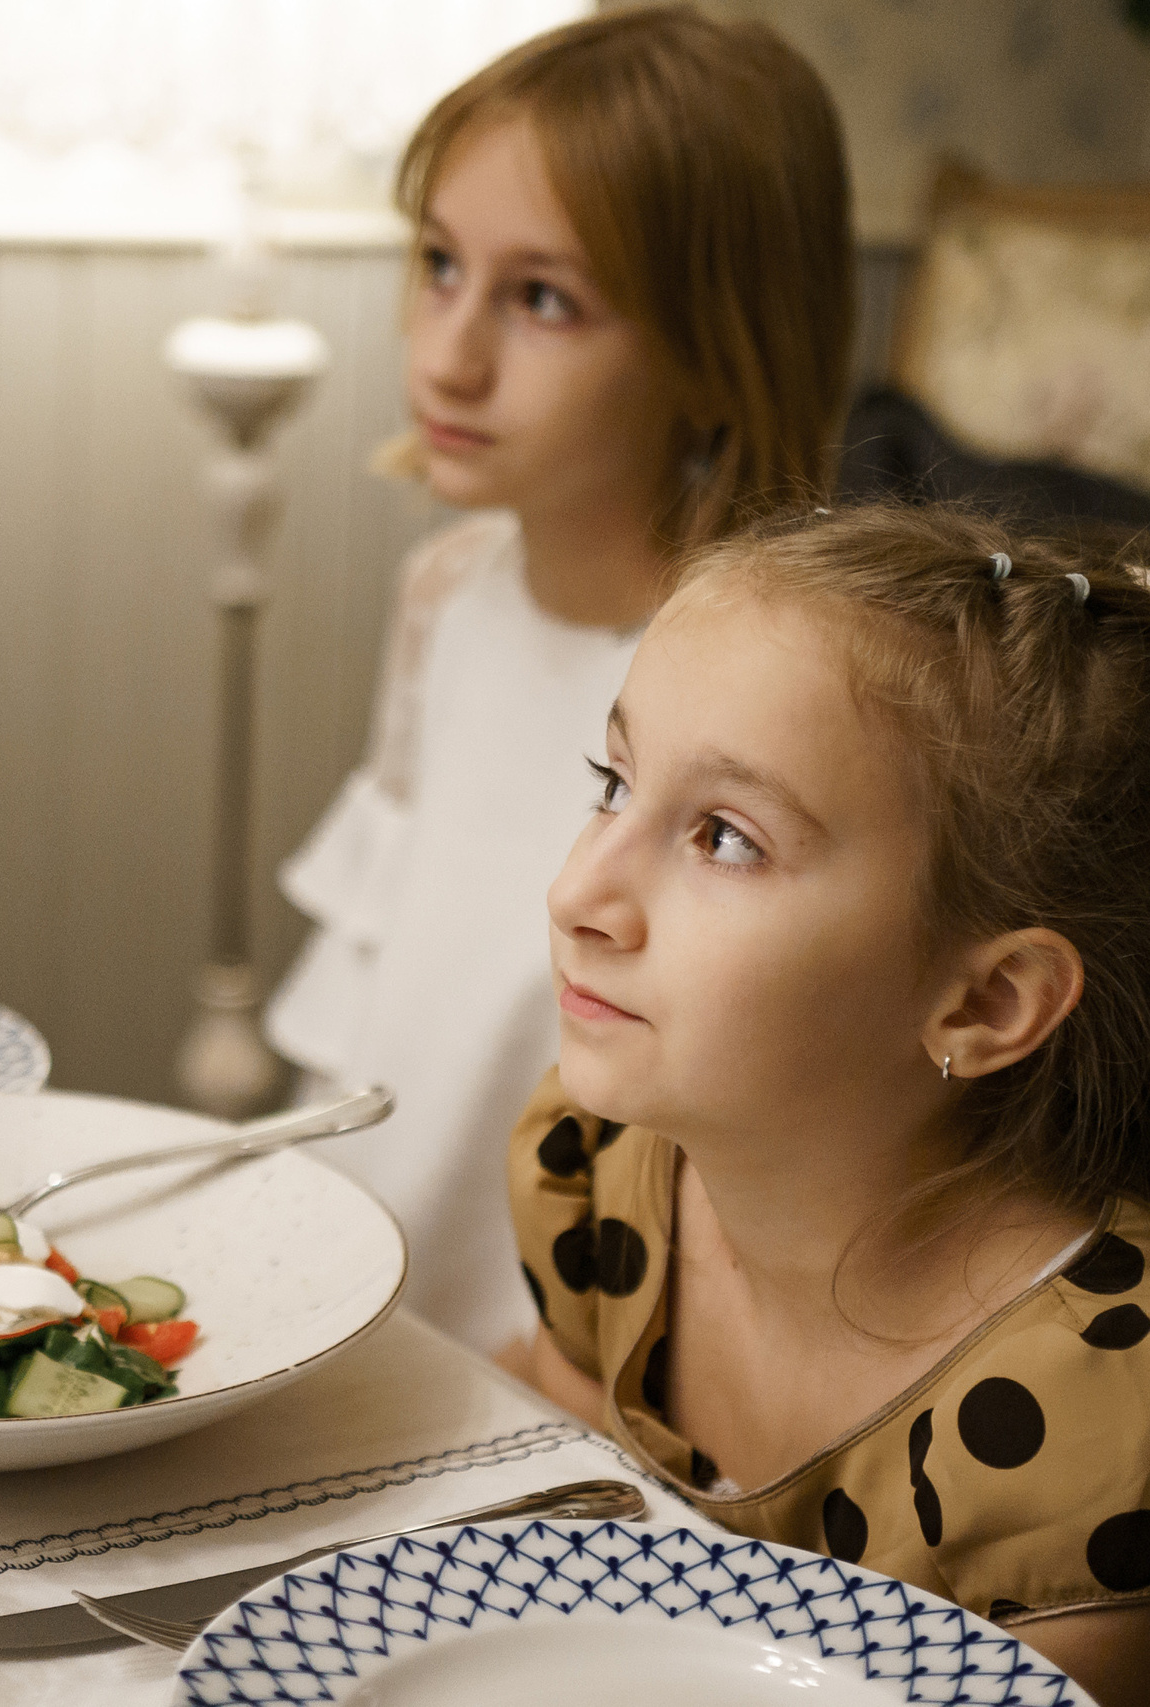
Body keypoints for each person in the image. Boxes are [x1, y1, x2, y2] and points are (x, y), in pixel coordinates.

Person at [508, 502, 1150, 1705]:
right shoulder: (603, 1170)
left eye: (726, 839)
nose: (578, 892)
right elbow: (554, 1551)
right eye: (612, 781)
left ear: (985, 1002)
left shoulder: (1102, 1420)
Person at [264, 7, 853, 1352]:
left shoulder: (769, 688)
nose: (446, 356)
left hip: (569, 1345)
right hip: (352, 1288)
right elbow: (376, 970)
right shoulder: (445, 595)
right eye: (439, 265)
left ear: (714, 348)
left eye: (541, 300)